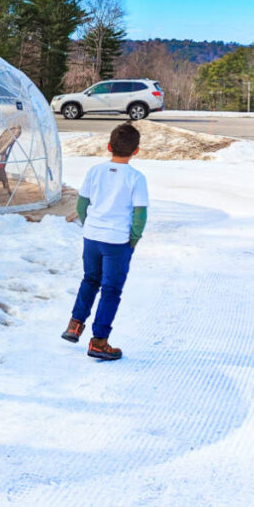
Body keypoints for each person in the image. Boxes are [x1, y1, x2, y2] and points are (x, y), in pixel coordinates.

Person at [61, 122, 148, 360]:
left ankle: (75, 325)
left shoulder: (95, 171)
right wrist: (133, 239)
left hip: (92, 237)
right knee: (111, 290)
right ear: (136, 151)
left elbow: (81, 205)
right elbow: (140, 214)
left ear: (109, 146)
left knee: (90, 280)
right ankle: (99, 342)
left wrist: (91, 224)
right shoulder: (136, 178)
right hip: (117, 242)